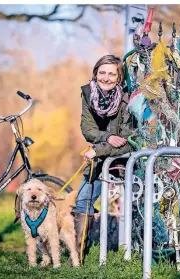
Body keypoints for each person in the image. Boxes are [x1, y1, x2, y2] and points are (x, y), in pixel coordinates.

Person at [72, 54, 133, 259]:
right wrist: (107, 137)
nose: (106, 78)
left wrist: (99, 149)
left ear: (119, 77)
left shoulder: (127, 99)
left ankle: (137, 251)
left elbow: (127, 141)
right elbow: (87, 128)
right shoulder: (87, 93)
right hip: (99, 157)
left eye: (111, 74)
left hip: (125, 159)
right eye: (102, 73)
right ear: (96, 74)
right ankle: (78, 257)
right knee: (83, 201)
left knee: (138, 204)